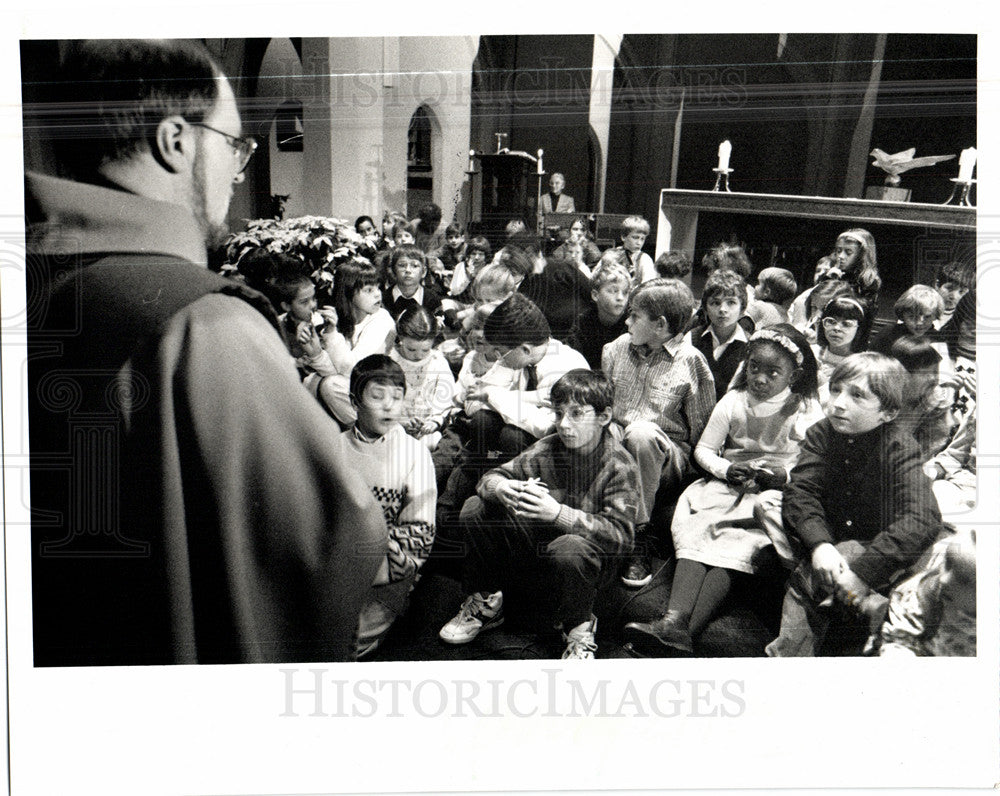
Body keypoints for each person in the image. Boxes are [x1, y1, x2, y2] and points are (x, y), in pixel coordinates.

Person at [26, 39, 386, 666]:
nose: (239, 170)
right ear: (175, 141)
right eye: (234, 145)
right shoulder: (204, 322)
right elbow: (330, 536)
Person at [624, 325, 823, 656]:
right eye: (754, 367)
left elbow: (813, 464)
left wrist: (783, 475)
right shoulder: (734, 401)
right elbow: (704, 451)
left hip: (768, 498)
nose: (759, 378)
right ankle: (674, 621)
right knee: (700, 530)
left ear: (795, 374)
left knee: (735, 545)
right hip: (724, 490)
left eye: (773, 372)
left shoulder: (804, 409)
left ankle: (681, 630)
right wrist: (726, 469)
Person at [439, 370, 639, 659]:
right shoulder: (549, 446)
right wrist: (501, 487)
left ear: (604, 416)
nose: (564, 424)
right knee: (475, 508)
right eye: (558, 414)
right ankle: (486, 600)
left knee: (569, 547)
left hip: (588, 561)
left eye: (576, 414)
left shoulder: (620, 464)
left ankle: (579, 628)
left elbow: (622, 538)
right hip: (541, 547)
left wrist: (558, 514)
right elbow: (490, 478)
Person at [765, 352, 943, 657]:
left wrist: (861, 572)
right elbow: (802, 491)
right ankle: (859, 599)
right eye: (836, 389)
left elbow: (923, 517)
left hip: (873, 541)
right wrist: (820, 545)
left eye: (857, 395)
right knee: (768, 504)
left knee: (813, 574)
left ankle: (788, 651)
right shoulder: (822, 432)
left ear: (887, 414)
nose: (838, 403)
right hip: (830, 534)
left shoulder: (900, 447)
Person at [601, 278, 716, 586]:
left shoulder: (692, 362)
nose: (626, 321)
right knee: (609, 431)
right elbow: (605, 407)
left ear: (660, 325)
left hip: (666, 457)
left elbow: (702, 430)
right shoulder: (614, 350)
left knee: (641, 434)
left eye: (634, 316)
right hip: (619, 448)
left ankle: (638, 536)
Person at [336, 355, 437, 657]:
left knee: (348, 645)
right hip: (334, 568)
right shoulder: (333, 447)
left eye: (397, 397)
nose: (389, 406)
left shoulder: (415, 454)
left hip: (388, 575)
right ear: (354, 401)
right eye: (377, 396)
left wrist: (361, 569)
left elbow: (419, 537)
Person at [316, 257, 397, 427]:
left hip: (382, 387)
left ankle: (376, 431)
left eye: (378, 287)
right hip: (359, 390)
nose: (377, 294)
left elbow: (351, 369)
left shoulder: (381, 319)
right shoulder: (342, 319)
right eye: (368, 290)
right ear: (348, 294)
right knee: (312, 381)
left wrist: (332, 334)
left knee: (330, 385)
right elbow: (330, 368)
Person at [869, 529, 976, 657]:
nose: (943, 579)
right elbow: (899, 640)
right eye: (948, 561)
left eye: (963, 580)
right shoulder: (921, 594)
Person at [388, 306, 457, 451]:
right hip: (394, 424)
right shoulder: (391, 360)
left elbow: (444, 396)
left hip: (425, 428)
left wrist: (435, 421)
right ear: (401, 338)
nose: (418, 355)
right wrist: (400, 420)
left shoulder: (437, 361)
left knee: (433, 441)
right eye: (411, 349)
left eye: (425, 350)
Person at [789, 229, 881, 328]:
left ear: (861, 256)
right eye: (838, 251)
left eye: (848, 252)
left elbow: (861, 314)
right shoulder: (829, 273)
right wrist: (827, 281)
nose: (840, 256)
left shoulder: (868, 281)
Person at [685, 269, 751, 402]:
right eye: (715, 303)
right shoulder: (692, 338)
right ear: (705, 308)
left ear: (742, 309)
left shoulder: (750, 345)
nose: (722, 310)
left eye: (731, 303)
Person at [567, 259, 631, 370]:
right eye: (613, 291)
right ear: (595, 295)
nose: (620, 298)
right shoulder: (583, 322)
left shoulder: (633, 323)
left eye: (625, 292)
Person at [812, 293, 872, 390]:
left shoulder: (863, 366)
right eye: (831, 321)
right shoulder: (811, 353)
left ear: (859, 329)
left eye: (846, 324)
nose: (836, 328)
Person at [869, 284, 946, 358]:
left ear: (936, 315)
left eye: (927, 317)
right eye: (912, 316)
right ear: (902, 315)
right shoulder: (888, 335)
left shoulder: (938, 340)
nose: (919, 323)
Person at [381, 244, 443, 320]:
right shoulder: (384, 299)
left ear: (423, 272)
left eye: (414, 266)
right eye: (402, 265)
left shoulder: (432, 299)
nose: (408, 270)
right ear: (394, 271)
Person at [613, 216, 657, 286]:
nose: (639, 243)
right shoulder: (612, 254)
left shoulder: (644, 259)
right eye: (635, 237)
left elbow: (648, 284)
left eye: (642, 239)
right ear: (623, 237)